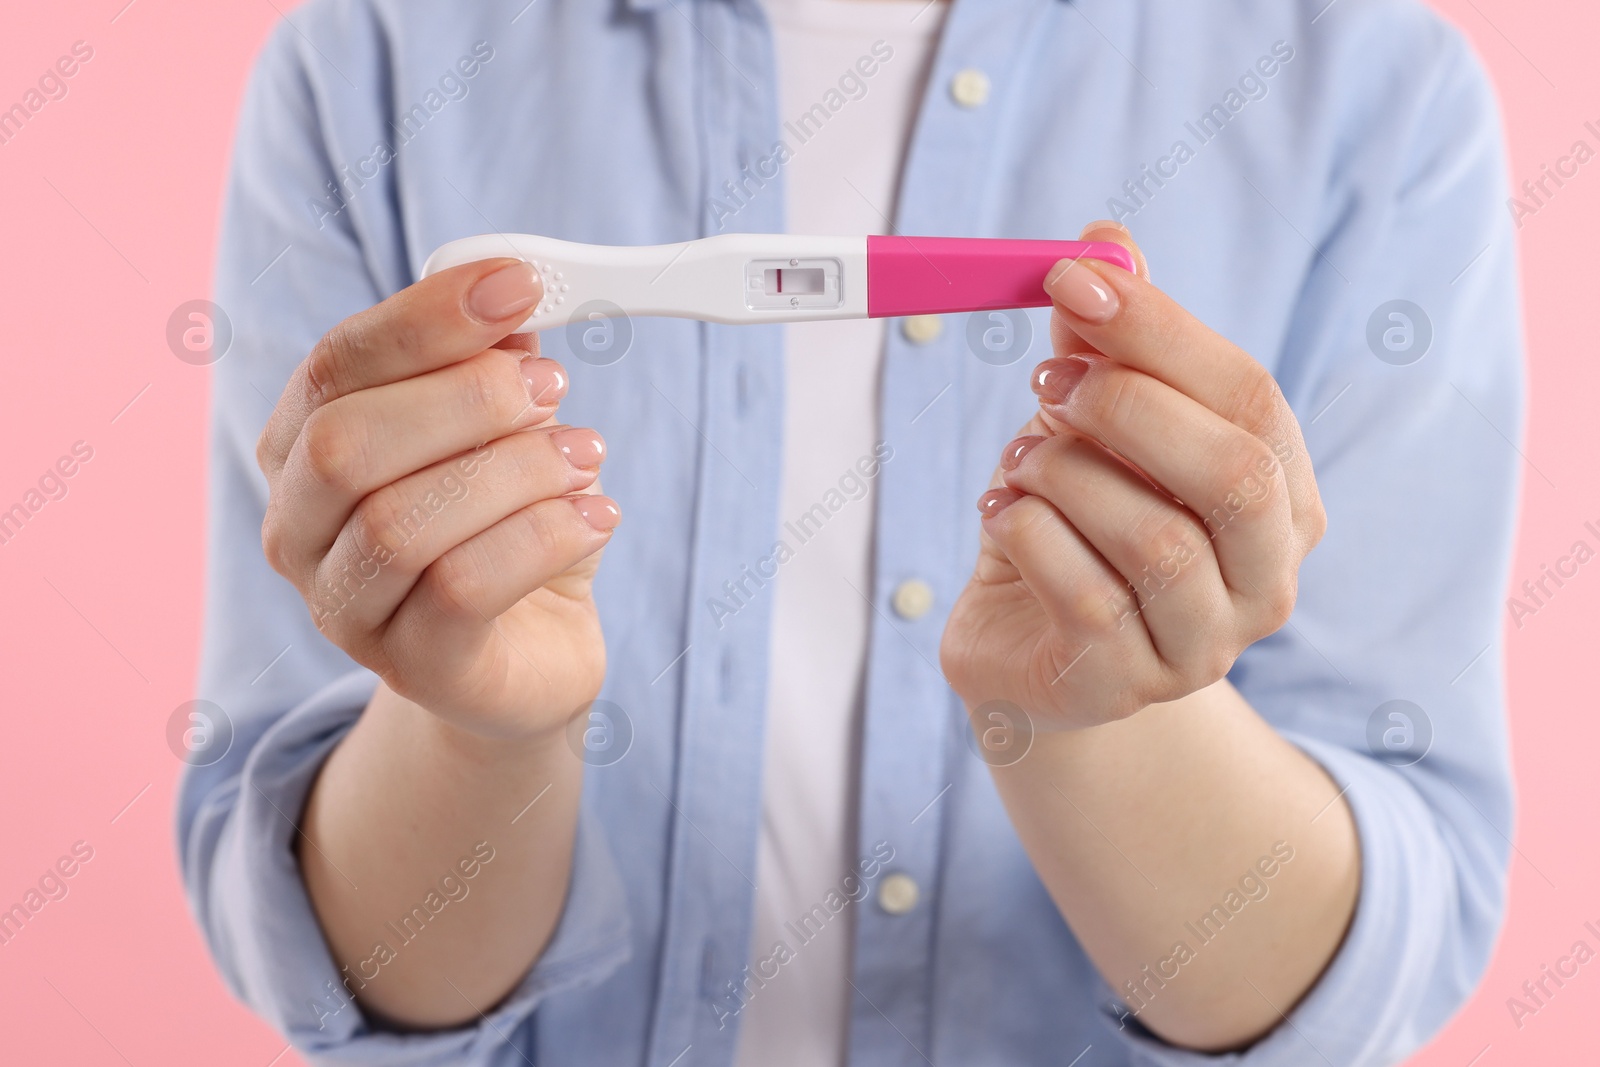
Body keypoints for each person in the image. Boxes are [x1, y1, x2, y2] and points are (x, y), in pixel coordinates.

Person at [178, 0, 1523, 1064]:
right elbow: (340, 966)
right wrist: (480, 722)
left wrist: (1092, 714)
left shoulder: (1377, 94)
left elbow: (1370, 963)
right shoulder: (367, 63)